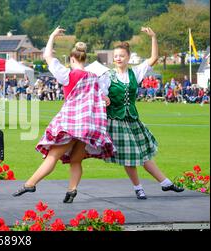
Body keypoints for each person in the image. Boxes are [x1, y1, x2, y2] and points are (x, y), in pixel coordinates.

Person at [12, 27, 115, 203]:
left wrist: (52, 35)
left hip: (71, 123)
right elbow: (104, 97)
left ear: (72, 59)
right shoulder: (94, 77)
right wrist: (104, 99)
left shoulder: (68, 75)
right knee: (76, 160)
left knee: (53, 155)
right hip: (87, 126)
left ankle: (31, 183)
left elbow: (48, 57)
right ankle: (72, 189)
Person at [100, 27, 184, 200]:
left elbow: (153, 58)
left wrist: (153, 37)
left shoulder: (135, 72)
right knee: (131, 156)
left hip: (132, 119)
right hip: (116, 121)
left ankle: (164, 183)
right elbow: (97, 92)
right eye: (115, 56)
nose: (118, 59)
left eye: (121, 56)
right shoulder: (107, 76)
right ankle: (139, 188)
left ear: (128, 57)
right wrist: (103, 97)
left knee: (142, 154)